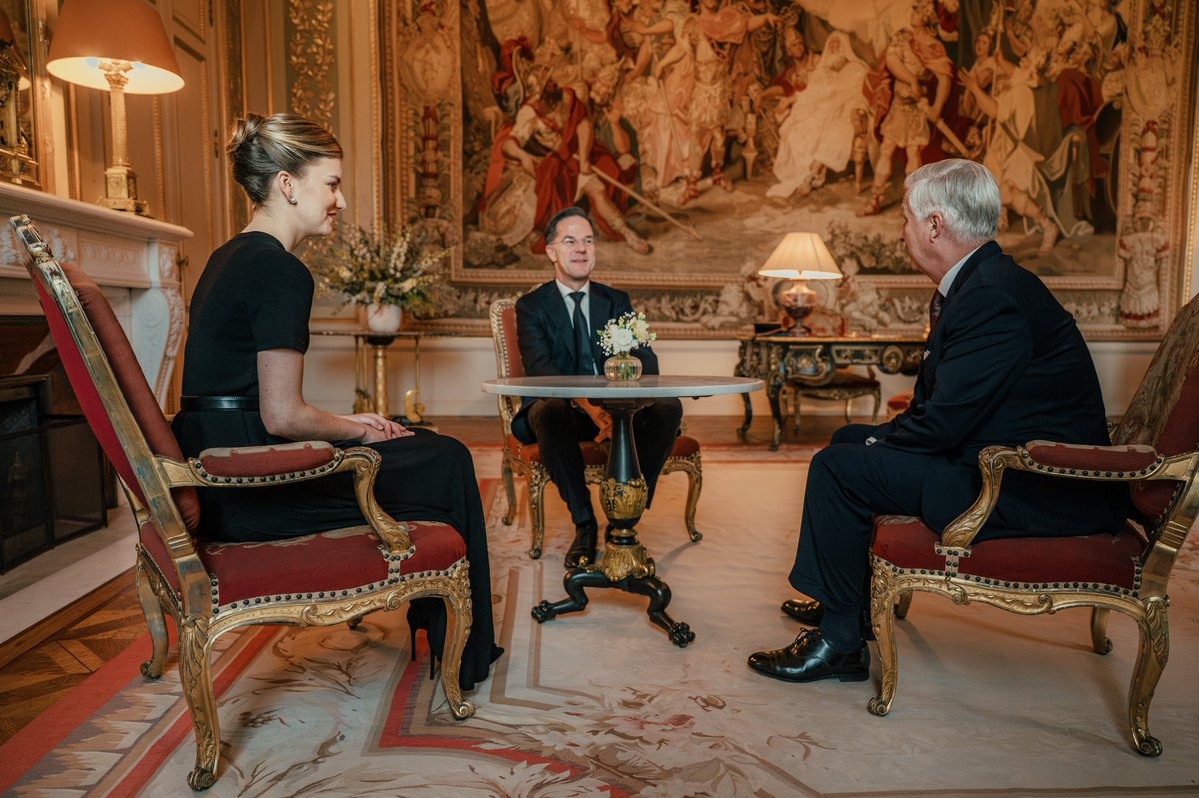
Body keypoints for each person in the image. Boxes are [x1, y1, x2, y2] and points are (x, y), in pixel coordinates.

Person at [748, 159, 1127, 684]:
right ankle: (849, 605)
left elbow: (946, 422)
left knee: (838, 465)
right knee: (847, 439)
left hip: (1027, 485)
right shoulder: (987, 281)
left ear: (934, 225)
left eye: (906, 218)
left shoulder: (991, 296)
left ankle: (839, 645)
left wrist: (882, 440)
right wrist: (877, 439)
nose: (900, 231)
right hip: (999, 459)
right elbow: (953, 408)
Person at [171, 113, 502, 691]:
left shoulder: (227, 257)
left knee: (416, 443)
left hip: (215, 467)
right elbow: (283, 415)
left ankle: (439, 622)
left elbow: (260, 405)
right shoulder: (279, 270)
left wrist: (355, 424)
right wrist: (358, 430)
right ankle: (462, 650)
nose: (341, 201)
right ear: (287, 184)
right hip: (252, 486)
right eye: (332, 184)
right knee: (445, 455)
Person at [512, 206, 683, 568]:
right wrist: (593, 409)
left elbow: (647, 362)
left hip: (619, 409)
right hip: (566, 411)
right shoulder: (531, 306)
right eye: (570, 241)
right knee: (547, 410)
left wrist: (620, 404)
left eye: (588, 241)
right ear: (551, 251)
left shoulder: (615, 301)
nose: (581, 249)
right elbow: (541, 372)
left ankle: (625, 519)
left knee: (669, 406)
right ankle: (584, 523)